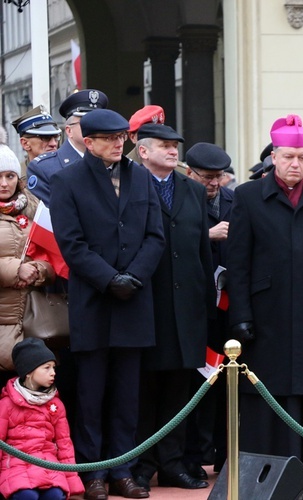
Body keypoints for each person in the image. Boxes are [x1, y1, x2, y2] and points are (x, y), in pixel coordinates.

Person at [227, 115, 303, 489]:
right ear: (274, 158)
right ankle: (266, 466)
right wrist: (241, 315)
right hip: (266, 309)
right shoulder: (249, 196)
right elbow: (238, 261)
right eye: (288, 157)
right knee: (267, 386)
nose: (295, 164)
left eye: (302, 157)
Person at [49, 108, 164, 500]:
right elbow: (71, 242)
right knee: (91, 393)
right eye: (111, 138)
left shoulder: (141, 177)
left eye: (122, 137)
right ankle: (93, 472)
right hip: (94, 303)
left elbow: (155, 236)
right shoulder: (67, 181)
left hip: (134, 299)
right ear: (90, 141)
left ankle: (123, 470)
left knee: (127, 395)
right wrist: (108, 279)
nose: (119, 143)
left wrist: (134, 276)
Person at [130, 124, 214, 491]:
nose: (173, 151)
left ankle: (172, 464)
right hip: (146, 306)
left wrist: (205, 302)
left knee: (181, 390)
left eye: (175, 145)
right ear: (143, 151)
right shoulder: (127, 184)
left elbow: (201, 251)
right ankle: (139, 464)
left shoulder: (193, 190)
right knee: (144, 392)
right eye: (164, 146)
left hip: (187, 308)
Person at [184, 142, 235, 474]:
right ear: (191, 173)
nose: (214, 184)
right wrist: (208, 234)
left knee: (228, 386)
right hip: (192, 309)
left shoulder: (235, 200)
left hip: (227, 310)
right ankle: (192, 456)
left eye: (219, 177)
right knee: (196, 386)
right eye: (207, 177)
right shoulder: (181, 199)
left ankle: (225, 454)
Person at [0, 338, 84, 500]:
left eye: (53, 367)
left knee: (55, 495)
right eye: (46, 368)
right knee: (27, 496)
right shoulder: (6, 404)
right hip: (16, 466)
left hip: (48, 465)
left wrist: (71, 480)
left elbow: (64, 444)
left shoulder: (56, 404)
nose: (53, 372)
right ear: (29, 371)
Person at [0, 138, 55, 373]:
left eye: (10, 176)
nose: (4, 184)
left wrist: (39, 270)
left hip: (33, 321)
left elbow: (53, 256)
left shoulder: (34, 209)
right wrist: (16, 269)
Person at [28, 89, 109, 205]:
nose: (94, 127)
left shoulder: (116, 163)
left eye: (99, 121)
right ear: (69, 130)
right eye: (86, 122)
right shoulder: (44, 168)